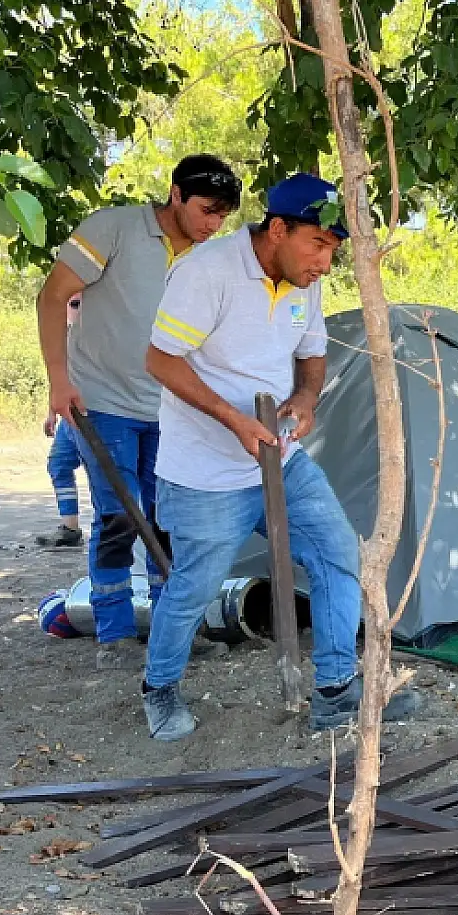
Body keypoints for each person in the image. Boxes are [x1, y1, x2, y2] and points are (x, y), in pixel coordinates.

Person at [137, 174, 365, 740]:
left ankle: (336, 691)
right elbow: (162, 361)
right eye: (318, 244)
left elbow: (313, 355)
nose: (325, 264)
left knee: (338, 552)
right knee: (195, 584)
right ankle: (159, 688)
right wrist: (233, 418)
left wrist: (306, 398)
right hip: (205, 474)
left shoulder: (304, 283)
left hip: (280, 459)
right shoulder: (206, 272)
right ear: (278, 228)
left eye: (333, 250)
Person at [37, 154, 242, 667]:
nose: (213, 224)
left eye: (223, 216)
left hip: (172, 410)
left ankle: (171, 630)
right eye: (207, 210)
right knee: (119, 515)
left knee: (167, 518)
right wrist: (58, 383)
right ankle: (114, 634)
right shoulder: (113, 228)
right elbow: (51, 297)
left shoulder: (207, 258)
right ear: (176, 194)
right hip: (102, 401)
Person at [36, 409, 84, 547]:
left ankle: (120, 527)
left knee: (106, 470)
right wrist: (53, 412)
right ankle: (70, 528)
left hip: (101, 411)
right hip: (71, 413)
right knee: (59, 463)